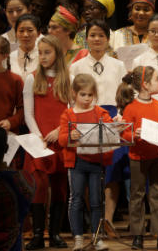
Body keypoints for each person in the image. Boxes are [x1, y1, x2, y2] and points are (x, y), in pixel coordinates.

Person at [68, 20, 128, 226]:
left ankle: (108, 220)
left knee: (111, 170)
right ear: (86, 38)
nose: (96, 39)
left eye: (101, 35)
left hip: (111, 116)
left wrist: (120, 115)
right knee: (88, 167)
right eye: (92, 35)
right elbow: (71, 97)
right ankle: (93, 219)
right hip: (85, 116)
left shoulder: (118, 65)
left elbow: (124, 94)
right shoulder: (76, 66)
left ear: (108, 39)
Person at [22, 35, 71, 250]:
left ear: (57, 54)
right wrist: (39, 136)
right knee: (39, 186)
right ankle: (38, 235)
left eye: (47, 52)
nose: (42, 56)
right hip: (39, 142)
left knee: (60, 188)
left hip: (59, 140)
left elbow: (72, 111)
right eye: (39, 52)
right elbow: (28, 113)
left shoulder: (67, 79)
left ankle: (56, 234)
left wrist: (60, 130)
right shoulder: (32, 78)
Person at [116, 66, 158, 250]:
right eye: (156, 79)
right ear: (145, 85)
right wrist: (134, 133)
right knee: (137, 195)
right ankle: (137, 235)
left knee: (157, 193)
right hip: (138, 157)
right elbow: (124, 134)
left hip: (157, 156)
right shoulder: (131, 108)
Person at [57, 74, 114, 251]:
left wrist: (114, 124)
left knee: (97, 201)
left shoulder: (99, 112)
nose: (87, 98)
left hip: (96, 162)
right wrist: (69, 136)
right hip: (77, 164)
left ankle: (96, 238)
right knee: (76, 200)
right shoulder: (68, 114)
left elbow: (110, 130)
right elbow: (60, 139)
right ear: (74, 94)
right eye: (83, 95)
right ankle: (78, 238)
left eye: (90, 95)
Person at [10, 14, 41, 80]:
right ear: (16, 33)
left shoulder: (43, 56)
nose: (25, 35)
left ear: (38, 33)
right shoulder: (9, 56)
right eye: (21, 31)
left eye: (30, 30)